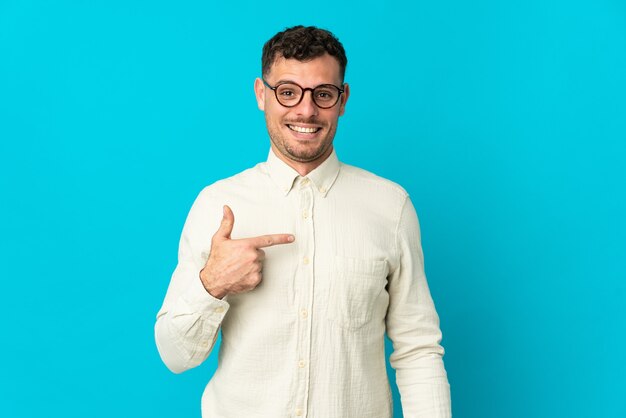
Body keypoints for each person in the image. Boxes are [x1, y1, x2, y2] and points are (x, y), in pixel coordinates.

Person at [155, 25, 451, 418]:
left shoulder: (391, 207)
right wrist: (213, 284)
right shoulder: (217, 205)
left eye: (323, 95)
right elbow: (175, 356)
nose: (306, 111)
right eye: (288, 92)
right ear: (262, 94)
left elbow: (418, 349)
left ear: (342, 100)